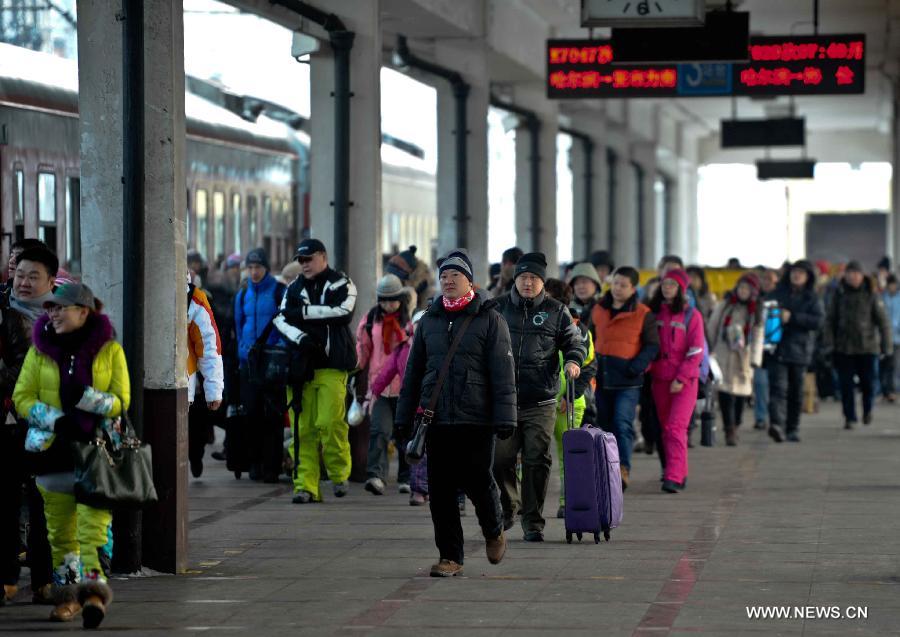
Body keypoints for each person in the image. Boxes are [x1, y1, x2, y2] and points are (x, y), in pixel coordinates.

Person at [14, 283, 128, 628]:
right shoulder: (39, 350)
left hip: (95, 451)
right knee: (60, 532)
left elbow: (121, 399)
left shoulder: (109, 350)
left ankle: (93, 593)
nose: (54, 313)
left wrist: (86, 399)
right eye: (51, 308)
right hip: (51, 452)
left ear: (84, 311)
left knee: (93, 530)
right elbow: (22, 397)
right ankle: (68, 597)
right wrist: (54, 419)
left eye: (61, 308)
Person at [395, 249, 515, 576]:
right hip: (436, 418)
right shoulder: (429, 321)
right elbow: (414, 373)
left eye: (455, 276)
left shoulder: (490, 319)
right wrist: (404, 416)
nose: (448, 281)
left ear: (470, 281)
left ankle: (493, 529)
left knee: (478, 481)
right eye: (444, 276)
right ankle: (450, 556)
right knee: (442, 491)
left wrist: (507, 417)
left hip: (477, 418)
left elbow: (503, 373)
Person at [493, 253, 585, 541]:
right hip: (505, 399)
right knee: (499, 458)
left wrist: (573, 361)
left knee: (537, 460)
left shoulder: (557, 311)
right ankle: (510, 504)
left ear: (542, 282)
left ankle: (533, 522)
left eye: (533, 278)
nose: (528, 283)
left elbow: (574, 341)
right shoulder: (497, 309)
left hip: (541, 400)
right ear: (514, 280)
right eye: (523, 277)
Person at [279, 239, 357, 503]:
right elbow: (280, 318)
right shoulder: (293, 287)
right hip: (300, 368)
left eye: (308, 259)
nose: (304, 264)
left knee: (330, 422)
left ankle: (338, 474)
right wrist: (301, 338)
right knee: (302, 429)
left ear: (323, 256)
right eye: (300, 260)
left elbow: (343, 312)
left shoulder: (341, 283)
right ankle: (305, 486)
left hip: (333, 365)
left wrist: (300, 312)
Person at [0, 247, 57, 606]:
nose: (23, 282)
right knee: (5, 500)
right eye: (19, 274)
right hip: (7, 421)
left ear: (52, 280)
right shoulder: (3, 313)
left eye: (32, 276)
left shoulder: (63, 318)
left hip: (47, 423)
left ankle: (44, 579)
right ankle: (6, 578)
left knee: (45, 502)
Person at [586, 266, 659, 490]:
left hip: (628, 380)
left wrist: (636, 366)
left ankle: (623, 468)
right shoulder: (598, 309)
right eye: (615, 283)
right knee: (605, 426)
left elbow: (652, 345)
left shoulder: (643, 313)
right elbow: (588, 338)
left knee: (622, 423)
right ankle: (608, 468)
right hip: (601, 377)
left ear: (633, 288)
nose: (617, 288)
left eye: (623, 285)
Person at [542, 278, 596, 518]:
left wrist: (571, 397)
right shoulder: (535, 324)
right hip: (539, 401)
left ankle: (568, 503)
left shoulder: (579, 329)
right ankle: (526, 503)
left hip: (569, 402)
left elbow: (588, 366)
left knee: (569, 457)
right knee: (531, 455)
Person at [356, 274, 414, 496]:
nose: (388, 304)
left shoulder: (409, 322)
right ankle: (376, 475)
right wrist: (355, 370)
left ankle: (406, 476)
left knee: (404, 434)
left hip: (404, 387)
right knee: (379, 430)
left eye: (393, 299)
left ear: (401, 299)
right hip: (378, 386)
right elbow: (363, 348)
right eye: (384, 300)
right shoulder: (371, 319)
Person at [648, 269, 705, 493]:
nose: (667, 287)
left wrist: (681, 377)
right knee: (665, 429)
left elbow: (696, 350)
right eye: (664, 283)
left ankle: (673, 476)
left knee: (675, 427)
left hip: (685, 381)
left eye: (672, 284)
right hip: (659, 379)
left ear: (682, 288)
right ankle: (678, 473)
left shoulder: (692, 316)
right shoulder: (653, 314)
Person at [234, 248, 286, 482]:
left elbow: (284, 324)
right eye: (250, 268)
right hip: (249, 362)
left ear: (266, 268)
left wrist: (278, 348)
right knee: (251, 413)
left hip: (271, 361)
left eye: (258, 267)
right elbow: (239, 324)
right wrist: (242, 351)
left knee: (273, 416)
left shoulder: (278, 291)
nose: (254, 272)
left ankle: (271, 466)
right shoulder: (243, 293)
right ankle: (254, 463)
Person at [824, 261, 892, 429]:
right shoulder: (838, 295)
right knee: (845, 385)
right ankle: (850, 417)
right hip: (843, 348)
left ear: (862, 276)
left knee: (869, 384)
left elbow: (883, 323)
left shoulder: (871, 295)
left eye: (856, 273)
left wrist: (886, 346)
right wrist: (829, 345)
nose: (852, 276)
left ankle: (867, 410)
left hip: (867, 348)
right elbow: (829, 322)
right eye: (849, 273)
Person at [369, 310, 426, 505]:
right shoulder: (402, 350)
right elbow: (386, 373)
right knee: (414, 449)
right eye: (417, 327)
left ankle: (423, 489)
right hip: (411, 409)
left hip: (434, 409)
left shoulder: (437, 348)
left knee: (430, 452)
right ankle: (418, 489)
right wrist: (374, 393)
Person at [766, 260, 824, 442]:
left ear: (808, 277)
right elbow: (764, 311)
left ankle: (793, 428)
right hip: (777, 348)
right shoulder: (776, 293)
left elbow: (818, 321)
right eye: (794, 272)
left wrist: (792, 317)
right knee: (778, 389)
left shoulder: (812, 298)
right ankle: (777, 425)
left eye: (801, 272)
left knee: (795, 391)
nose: (796, 275)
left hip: (800, 350)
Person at [707, 273, 764, 446]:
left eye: (747, 289)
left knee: (741, 396)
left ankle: (736, 423)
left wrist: (755, 359)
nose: (743, 291)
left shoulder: (756, 311)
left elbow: (757, 336)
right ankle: (729, 429)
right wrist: (709, 350)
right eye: (741, 287)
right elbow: (713, 326)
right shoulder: (725, 305)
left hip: (743, 359)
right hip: (723, 354)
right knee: (725, 394)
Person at [186, 272, 224, 478]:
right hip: (188, 382)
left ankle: (196, 456)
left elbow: (210, 346)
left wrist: (214, 390)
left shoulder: (195, 298)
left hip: (192, 383)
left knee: (197, 427)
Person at [752, 268, 780, 429]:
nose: (766, 283)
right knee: (760, 383)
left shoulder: (783, 298)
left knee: (776, 385)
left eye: (770, 280)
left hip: (778, 348)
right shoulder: (755, 300)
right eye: (764, 280)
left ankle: (776, 417)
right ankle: (761, 417)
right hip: (759, 348)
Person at [882, 274, 900, 403]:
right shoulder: (883, 298)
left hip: (897, 338)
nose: (892, 287)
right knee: (884, 365)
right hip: (884, 336)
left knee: (894, 365)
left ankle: (892, 391)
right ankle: (885, 391)